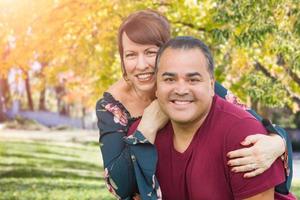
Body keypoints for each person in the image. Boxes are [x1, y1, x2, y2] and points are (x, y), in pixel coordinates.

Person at [96, 10, 293, 200]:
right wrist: (146, 127)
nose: (141, 65)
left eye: (150, 52)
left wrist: (278, 142)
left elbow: (252, 125)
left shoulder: (199, 85)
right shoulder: (113, 106)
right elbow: (120, 187)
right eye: (131, 55)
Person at [140, 36, 294, 199]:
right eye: (169, 79)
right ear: (156, 86)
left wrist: (280, 141)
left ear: (212, 85)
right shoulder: (146, 133)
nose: (181, 89)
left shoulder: (245, 137)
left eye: (193, 80)